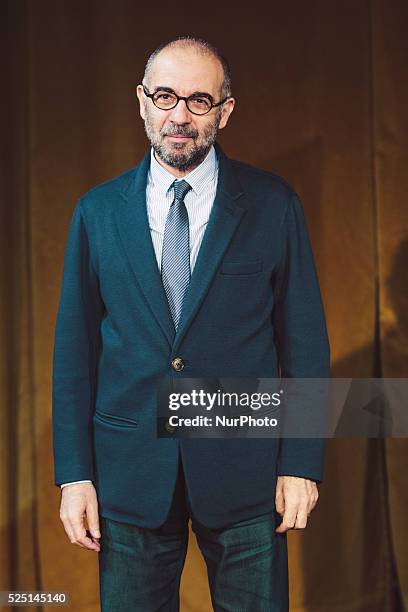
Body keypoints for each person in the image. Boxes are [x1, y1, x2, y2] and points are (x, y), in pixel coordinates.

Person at [52, 35, 330, 612]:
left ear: (225, 110)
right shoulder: (97, 212)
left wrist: (301, 463)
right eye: (165, 96)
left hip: (247, 476)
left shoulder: (273, 204)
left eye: (199, 100)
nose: (179, 114)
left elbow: (303, 343)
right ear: (142, 101)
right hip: (128, 479)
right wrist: (75, 475)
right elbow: (74, 357)